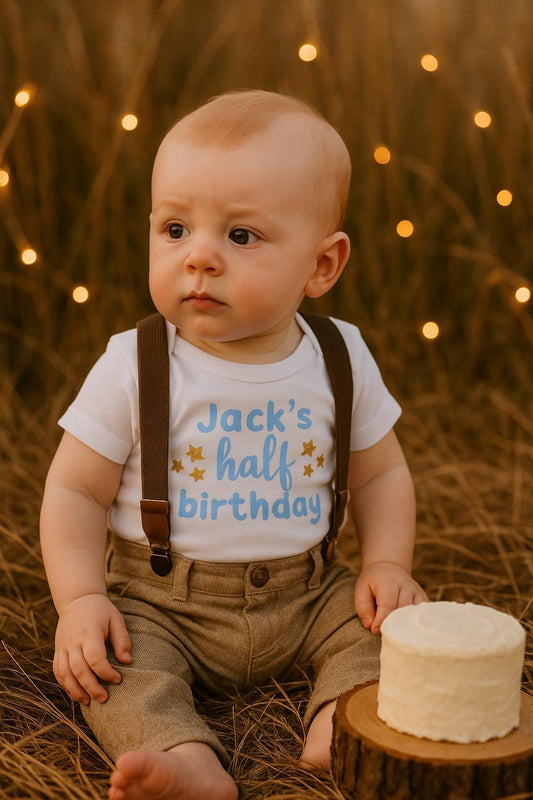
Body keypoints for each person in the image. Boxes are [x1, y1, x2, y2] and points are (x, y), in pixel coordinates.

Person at [40, 89, 427, 800]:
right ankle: (183, 757)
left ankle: (341, 722)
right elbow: (75, 489)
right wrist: (82, 598)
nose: (200, 258)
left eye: (241, 236)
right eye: (175, 229)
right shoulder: (135, 363)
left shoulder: (340, 356)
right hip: (163, 601)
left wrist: (385, 564)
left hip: (310, 594)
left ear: (322, 265)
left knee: (390, 634)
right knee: (116, 668)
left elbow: (379, 475)